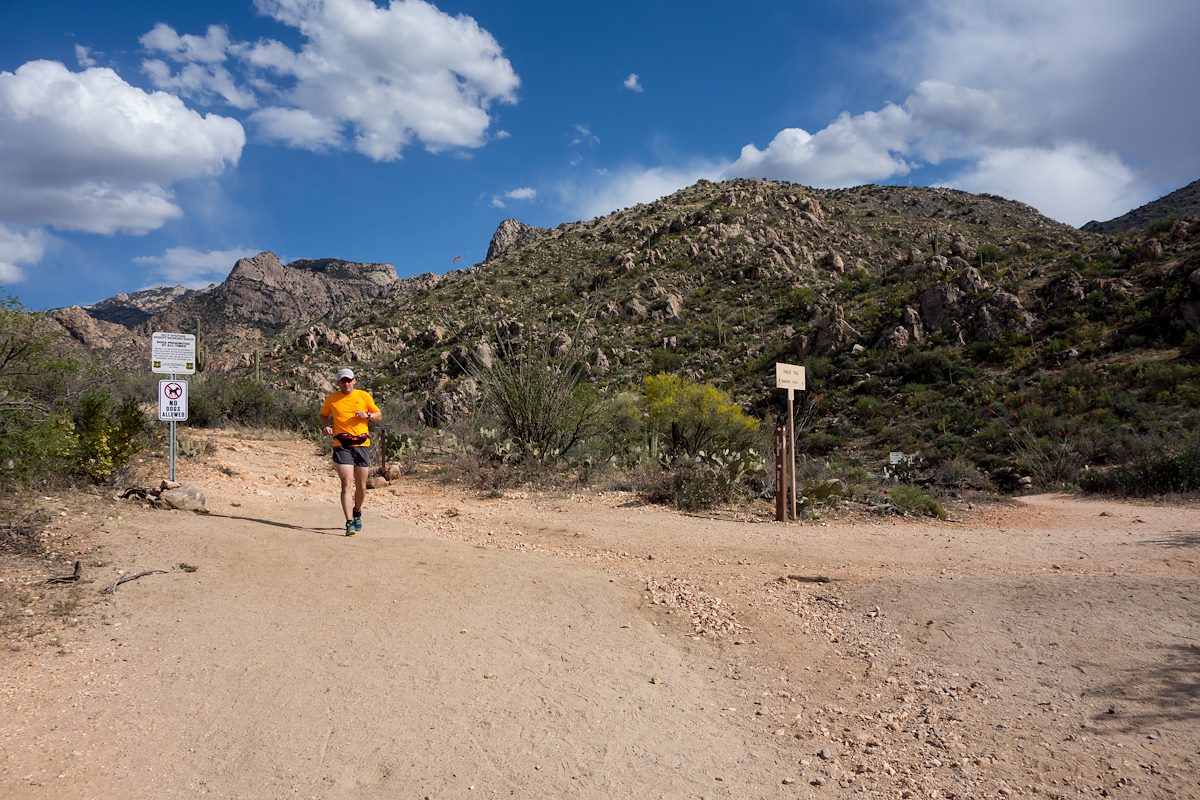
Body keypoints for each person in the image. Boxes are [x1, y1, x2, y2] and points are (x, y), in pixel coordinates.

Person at [319, 368, 381, 536]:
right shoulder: (332, 399)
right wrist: (326, 426)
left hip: (362, 445)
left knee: (361, 486)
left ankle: (357, 511)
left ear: (354, 380)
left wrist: (366, 415)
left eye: (349, 380)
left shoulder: (363, 396)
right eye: (343, 381)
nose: (346, 383)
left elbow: (378, 415)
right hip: (342, 445)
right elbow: (324, 415)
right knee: (347, 483)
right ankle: (349, 522)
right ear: (338, 383)